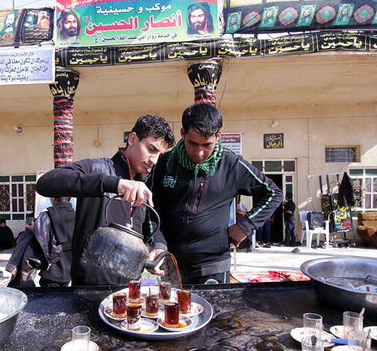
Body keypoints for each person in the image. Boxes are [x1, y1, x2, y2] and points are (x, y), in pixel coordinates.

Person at [151, 103, 283, 285]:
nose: (199, 152)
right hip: (171, 262)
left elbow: (273, 193)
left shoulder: (232, 165)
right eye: (193, 143)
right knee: (173, 312)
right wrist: (158, 244)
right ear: (182, 133)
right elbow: (152, 208)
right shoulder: (165, 163)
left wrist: (246, 225)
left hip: (213, 264)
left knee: (215, 313)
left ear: (218, 136)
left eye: (207, 145)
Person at [36, 114, 175, 286]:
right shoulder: (96, 169)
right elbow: (45, 183)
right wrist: (114, 184)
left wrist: (159, 246)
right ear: (132, 139)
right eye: (151, 149)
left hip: (130, 289)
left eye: (159, 154)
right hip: (90, 289)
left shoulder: (144, 185)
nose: (154, 160)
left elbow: (151, 224)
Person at [34, 197, 76, 287]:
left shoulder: (46, 216)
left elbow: (38, 244)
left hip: (51, 272)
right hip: (69, 272)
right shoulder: (78, 216)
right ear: (71, 198)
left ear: (53, 198)